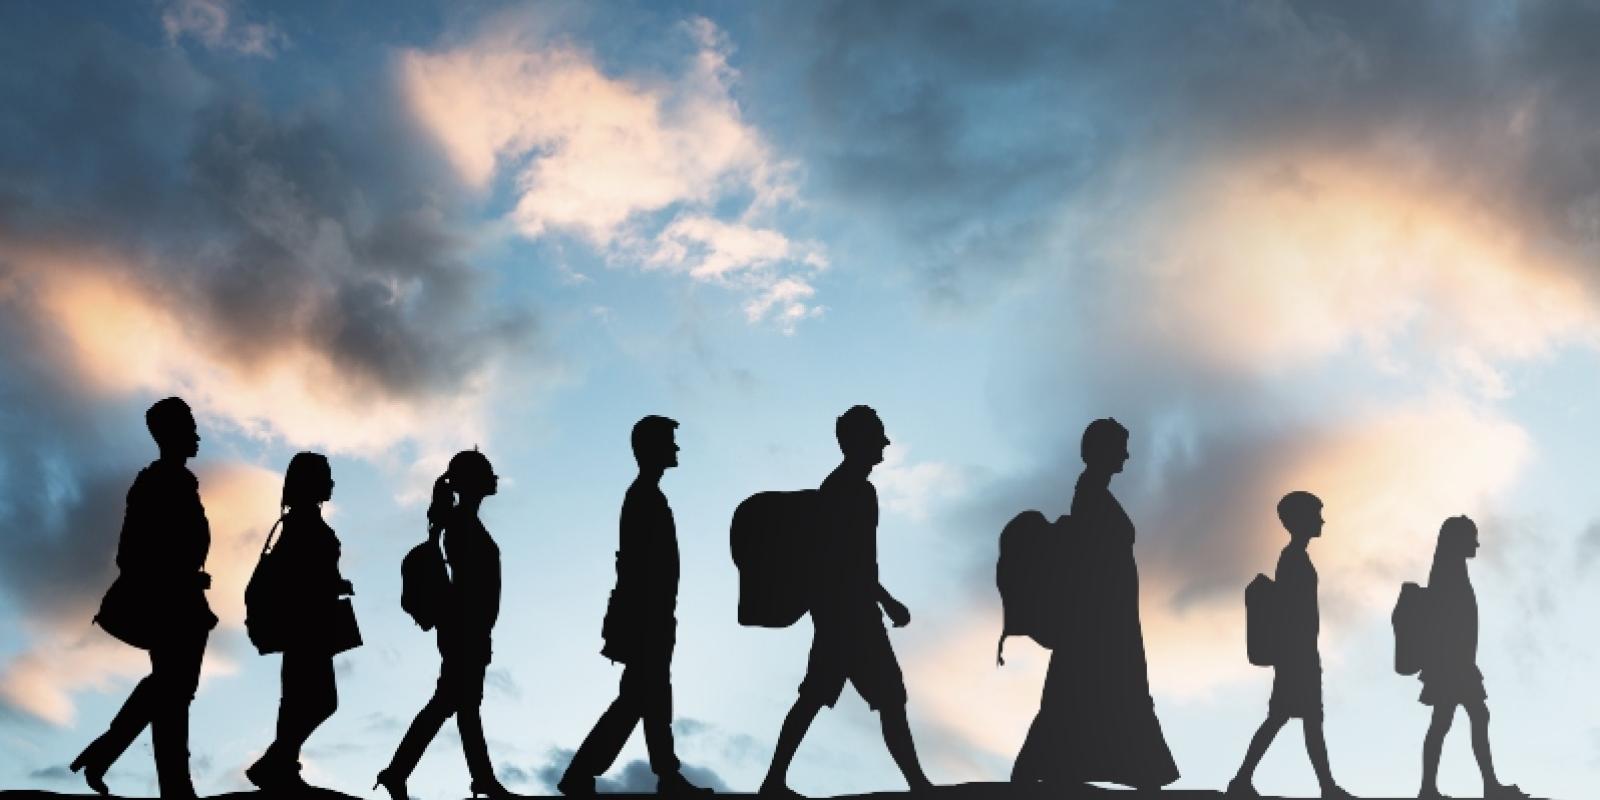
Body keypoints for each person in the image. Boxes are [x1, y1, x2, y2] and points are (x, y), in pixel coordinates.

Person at [759, 405, 933, 797]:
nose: (885, 443)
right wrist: (888, 602)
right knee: (887, 696)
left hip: (841, 613)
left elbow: (854, 561)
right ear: (858, 441)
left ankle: (773, 781)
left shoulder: (846, 488)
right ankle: (918, 784)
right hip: (850, 616)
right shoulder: (847, 491)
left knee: (818, 696)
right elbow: (850, 560)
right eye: (878, 436)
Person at [1012, 417, 1178, 790]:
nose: (1127, 455)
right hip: (1098, 620)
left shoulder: (1092, 492)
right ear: (1103, 450)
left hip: (1109, 617)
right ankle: (1141, 775)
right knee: (1082, 693)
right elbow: (1089, 560)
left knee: (1083, 693)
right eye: (1121, 447)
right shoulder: (1088, 494)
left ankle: (1063, 772)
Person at [559, 416, 713, 796]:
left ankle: (605, 774)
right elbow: (636, 567)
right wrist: (649, 618)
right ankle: (659, 775)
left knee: (642, 699)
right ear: (652, 448)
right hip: (648, 617)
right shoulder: (644, 497)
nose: (676, 449)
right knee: (648, 696)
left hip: (653, 615)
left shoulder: (647, 495)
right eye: (670, 442)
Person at [71, 397, 217, 799]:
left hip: (184, 598)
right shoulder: (155, 483)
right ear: (168, 434)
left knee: (172, 688)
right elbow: (129, 552)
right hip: (169, 602)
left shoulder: (181, 482)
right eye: (189, 426)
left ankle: (108, 755)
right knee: (173, 691)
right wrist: (172, 576)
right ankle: (173, 786)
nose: (196, 434)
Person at [376, 449, 516, 800]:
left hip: (469, 628)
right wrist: (475, 627)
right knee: (456, 704)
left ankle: (401, 773)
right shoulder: (460, 523)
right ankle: (478, 780)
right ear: (472, 481)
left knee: (456, 704)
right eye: (487, 471)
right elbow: (470, 582)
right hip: (465, 629)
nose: (494, 477)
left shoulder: (461, 521)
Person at [1227, 491, 1352, 798]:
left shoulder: (1295, 557)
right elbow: (1292, 611)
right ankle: (1323, 787)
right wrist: (1300, 653)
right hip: (1298, 656)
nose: (1321, 520)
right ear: (1299, 520)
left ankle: (1321, 786)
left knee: (1299, 720)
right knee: (1295, 720)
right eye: (1316, 514)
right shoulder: (1293, 559)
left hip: (1301, 653)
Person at [246, 452, 356, 790]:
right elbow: (298, 576)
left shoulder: (301, 521)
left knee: (299, 699)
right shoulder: (302, 524)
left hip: (311, 624)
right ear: (312, 482)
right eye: (326, 476)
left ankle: (281, 764)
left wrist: (334, 584)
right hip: (305, 626)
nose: (332, 483)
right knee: (316, 700)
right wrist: (331, 584)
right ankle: (277, 763)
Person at [1416, 516, 1528, 800]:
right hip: (1453, 665)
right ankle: (1483, 786)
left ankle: (1435, 787)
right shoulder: (1449, 572)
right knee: (1465, 718)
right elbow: (1448, 623)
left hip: (1456, 663)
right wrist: (1457, 663)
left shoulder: (1451, 569)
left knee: (1449, 721)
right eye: (1471, 537)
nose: (1477, 543)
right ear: (1458, 540)